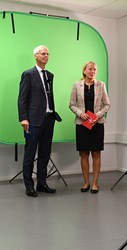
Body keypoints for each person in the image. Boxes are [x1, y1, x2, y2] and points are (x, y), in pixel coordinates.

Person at [18, 45, 61, 197]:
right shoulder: (28, 74)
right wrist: (23, 118)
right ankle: (29, 186)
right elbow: (22, 98)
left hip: (49, 120)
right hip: (33, 121)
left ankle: (42, 183)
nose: (46, 56)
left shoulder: (50, 75)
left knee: (44, 153)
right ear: (35, 55)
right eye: (43, 53)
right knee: (30, 154)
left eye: (48, 54)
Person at [69, 61, 110, 194]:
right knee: (84, 154)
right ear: (84, 71)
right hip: (82, 124)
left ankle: (95, 183)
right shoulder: (77, 85)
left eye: (95, 69)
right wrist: (81, 114)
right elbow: (71, 104)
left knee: (96, 153)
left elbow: (107, 104)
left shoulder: (101, 85)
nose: (93, 71)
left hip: (96, 124)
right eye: (90, 69)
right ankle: (86, 182)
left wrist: (97, 116)